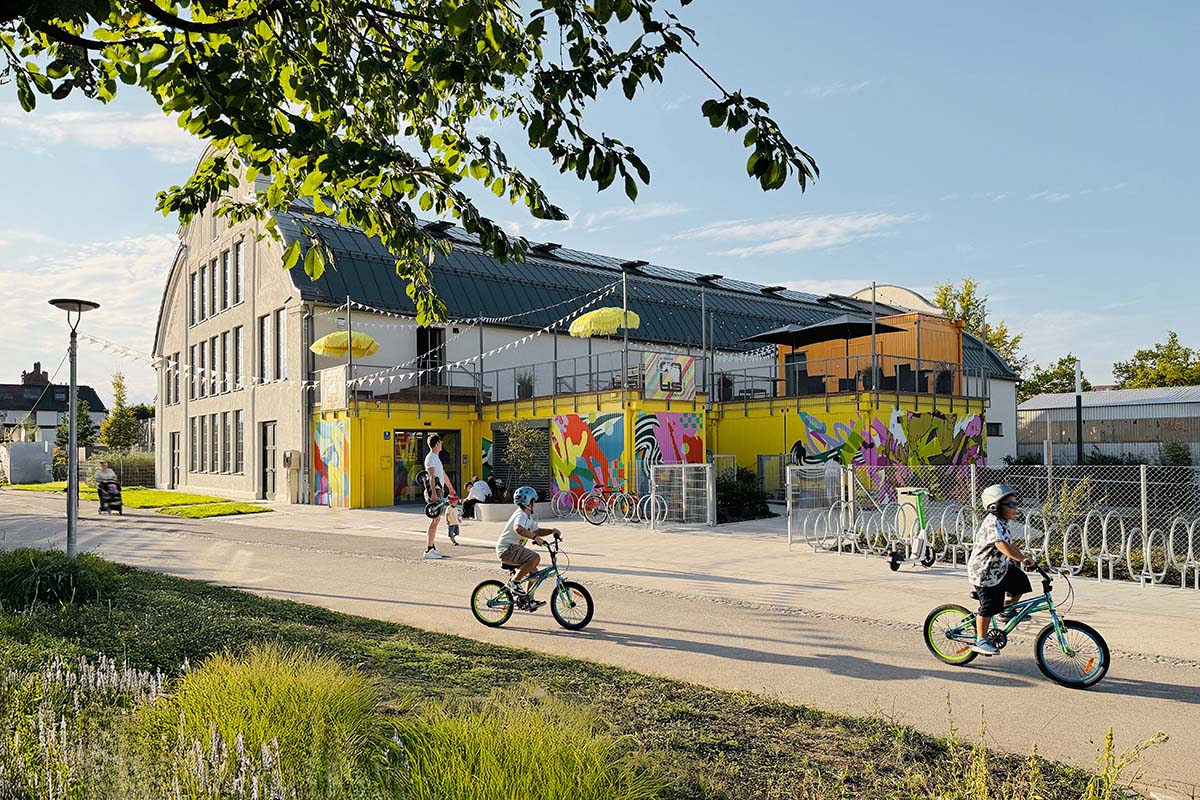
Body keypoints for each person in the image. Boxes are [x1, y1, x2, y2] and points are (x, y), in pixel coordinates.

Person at [967, 483, 1035, 656]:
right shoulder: (992, 523)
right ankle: (981, 640)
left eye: (1016, 504)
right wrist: (1021, 559)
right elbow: (1001, 544)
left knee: (1020, 583)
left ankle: (1006, 611)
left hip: (1000, 568)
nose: (1015, 508)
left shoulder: (1003, 523)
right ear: (995, 507)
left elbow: (1009, 544)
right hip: (985, 573)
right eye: (1011, 504)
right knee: (989, 607)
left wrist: (1024, 557)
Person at [496, 486, 561, 601]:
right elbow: (518, 528)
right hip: (507, 550)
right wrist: (535, 538)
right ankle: (515, 582)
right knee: (535, 558)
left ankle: (527, 600)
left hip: (513, 549)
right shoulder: (520, 514)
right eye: (533, 501)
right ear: (528, 502)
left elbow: (537, 531)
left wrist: (552, 531)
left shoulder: (528, 517)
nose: (534, 503)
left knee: (534, 574)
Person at [422, 434, 456, 559]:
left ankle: (432, 547)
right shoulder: (430, 458)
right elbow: (431, 476)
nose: (442, 444)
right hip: (434, 490)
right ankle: (429, 549)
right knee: (434, 519)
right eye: (440, 442)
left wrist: (450, 488)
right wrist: (433, 493)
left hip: (439, 489)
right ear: (437, 444)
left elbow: (443, 474)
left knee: (436, 520)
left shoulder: (436, 458)